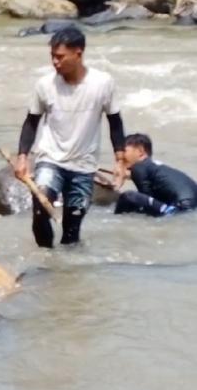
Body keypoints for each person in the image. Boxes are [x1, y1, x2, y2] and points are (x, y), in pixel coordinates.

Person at [15, 25, 127, 248]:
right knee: (40, 208)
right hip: (50, 159)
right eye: (52, 57)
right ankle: (45, 258)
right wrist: (22, 157)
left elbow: (115, 122)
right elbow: (31, 122)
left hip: (84, 166)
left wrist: (120, 161)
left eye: (60, 57)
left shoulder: (102, 83)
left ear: (78, 53)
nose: (55, 62)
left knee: (71, 232)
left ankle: (65, 273)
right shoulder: (45, 85)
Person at [114, 133, 197, 217]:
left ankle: (113, 220)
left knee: (128, 196)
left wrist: (119, 183)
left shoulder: (138, 167)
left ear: (140, 151)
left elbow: (145, 199)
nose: (120, 157)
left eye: (124, 151)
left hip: (179, 209)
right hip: (190, 208)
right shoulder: (155, 167)